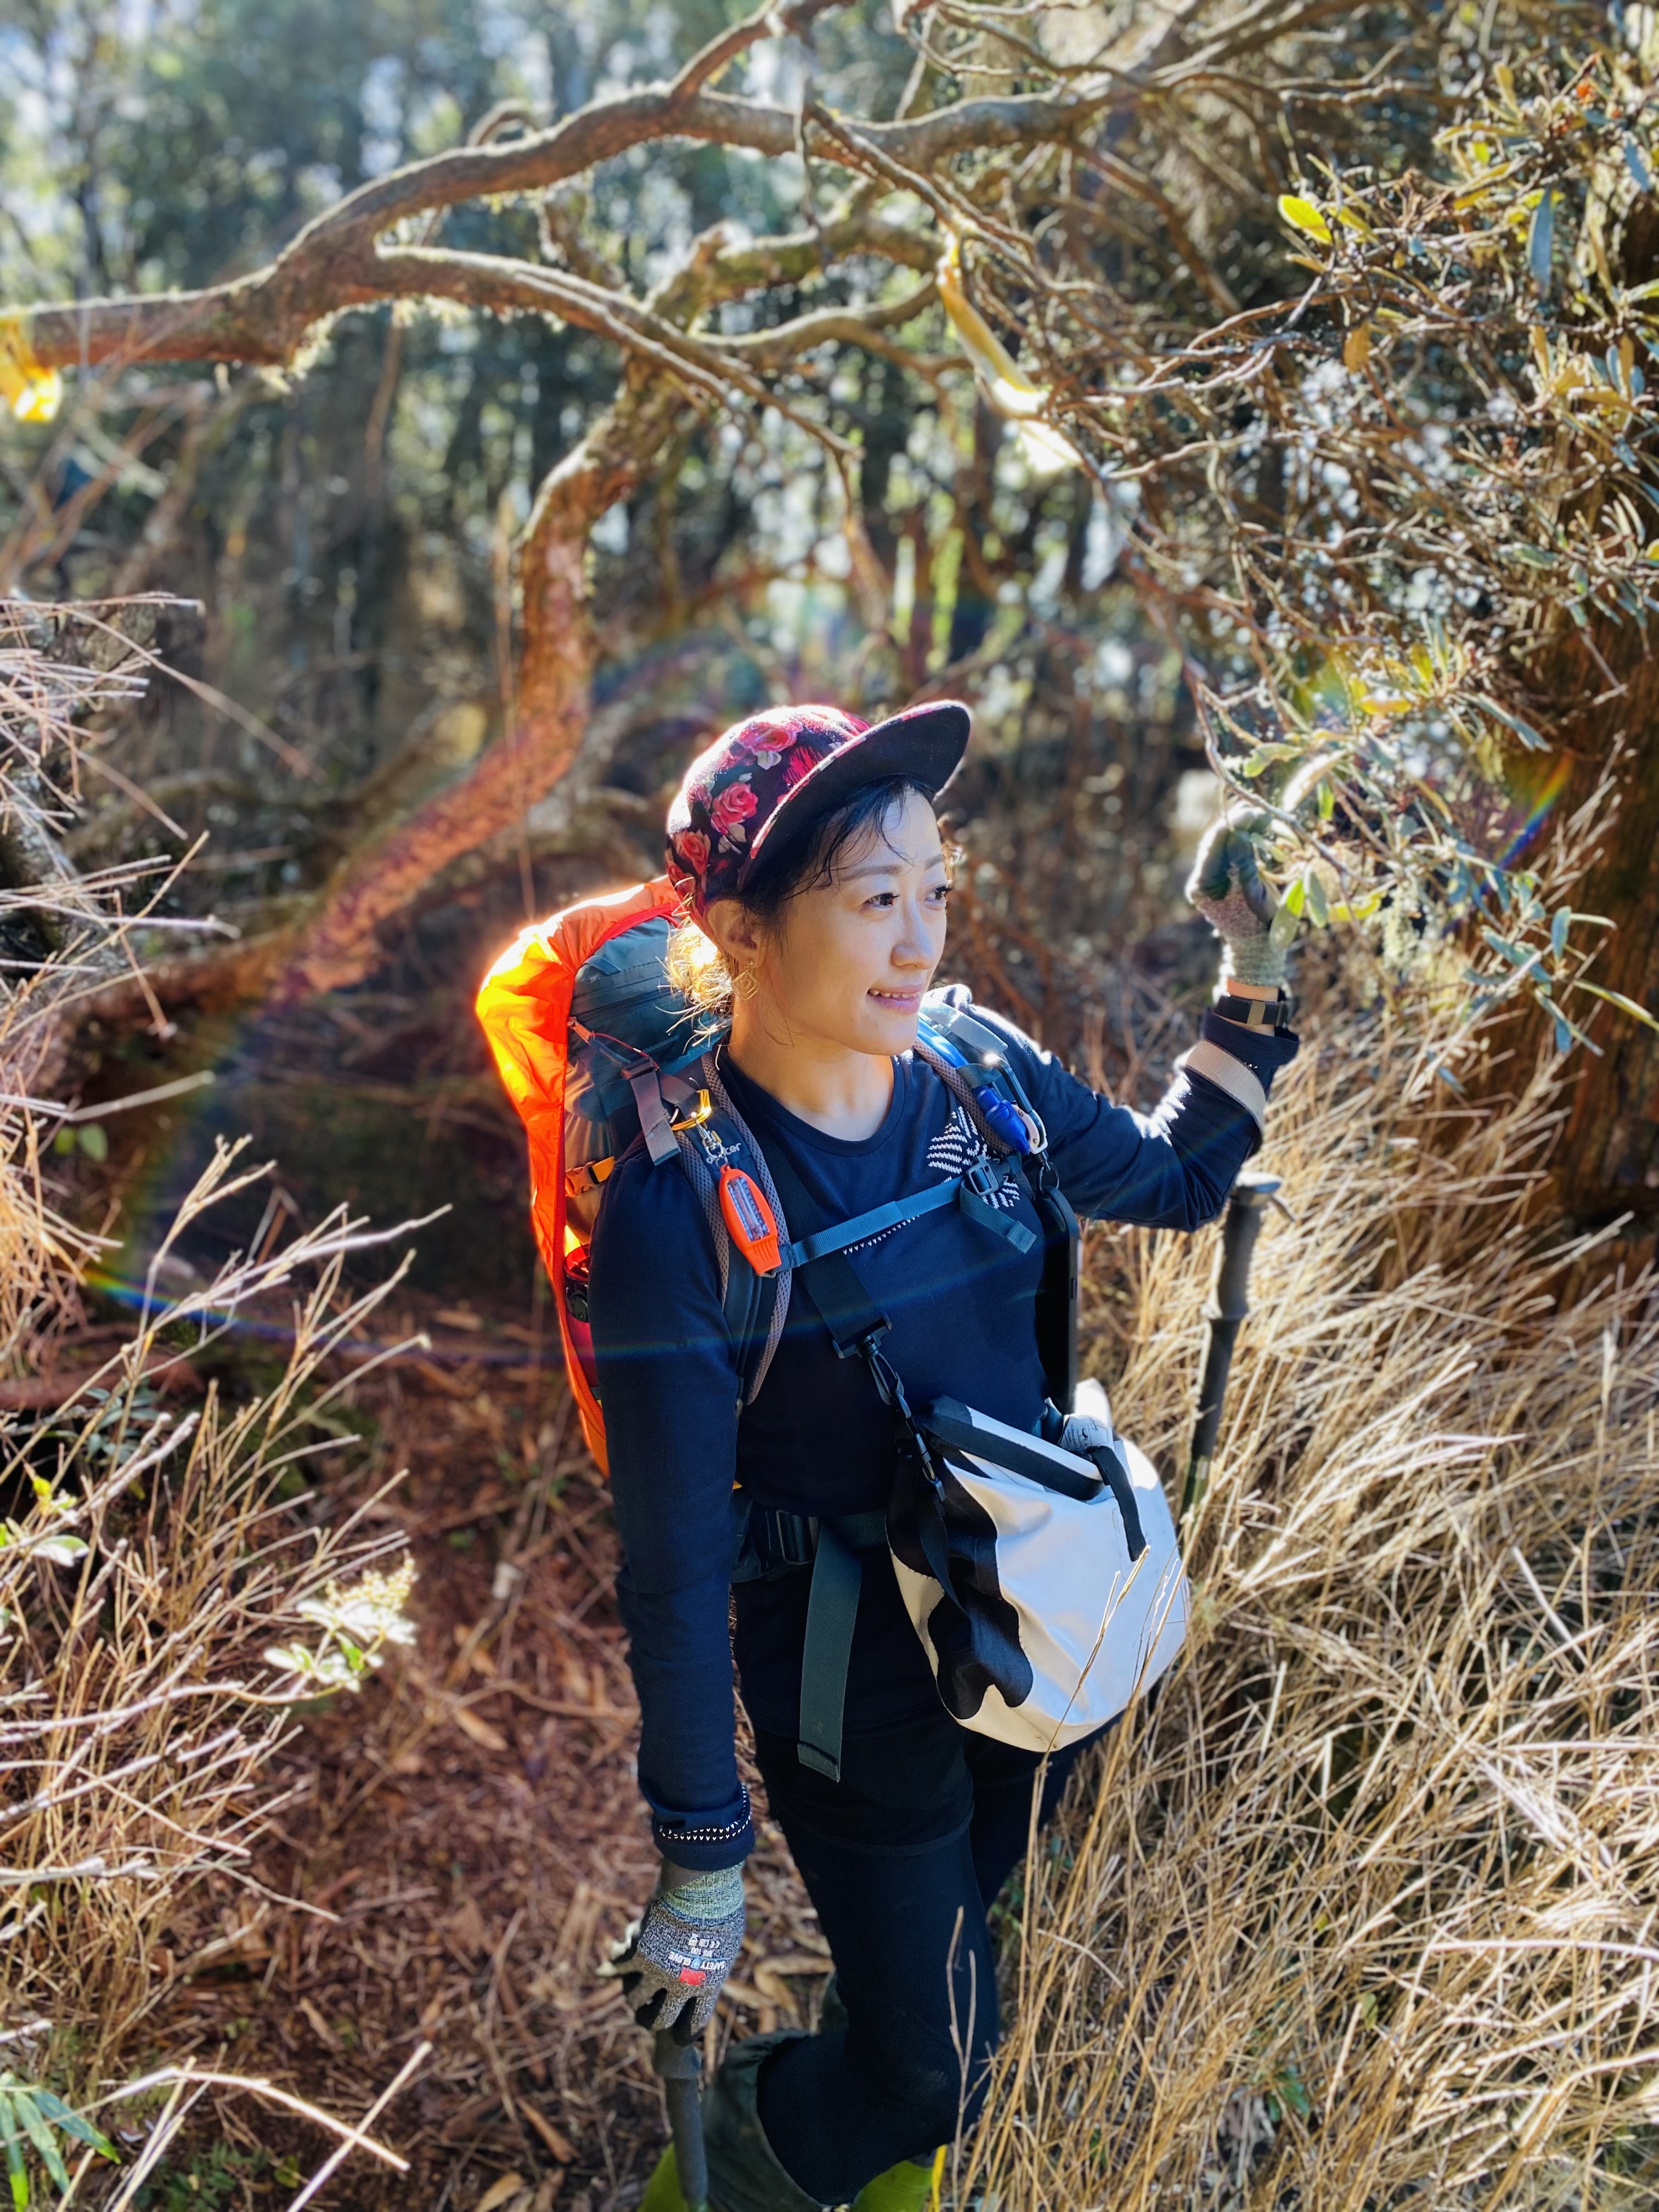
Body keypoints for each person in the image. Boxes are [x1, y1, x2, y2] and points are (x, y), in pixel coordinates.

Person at [590, 700, 1299, 2212]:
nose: (920, 941)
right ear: (741, 932)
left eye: (935, 889)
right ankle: (719, 2181)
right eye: (873, 900)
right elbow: (674, 1565)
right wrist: (702, 1856)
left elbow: (1177, 1179)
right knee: (942, 2068)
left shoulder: (983, 1075)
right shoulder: (682, 1210)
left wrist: (1251, 965)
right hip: (852, 1675)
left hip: (1036, 1617)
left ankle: (875, 2149)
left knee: (934, 1969)